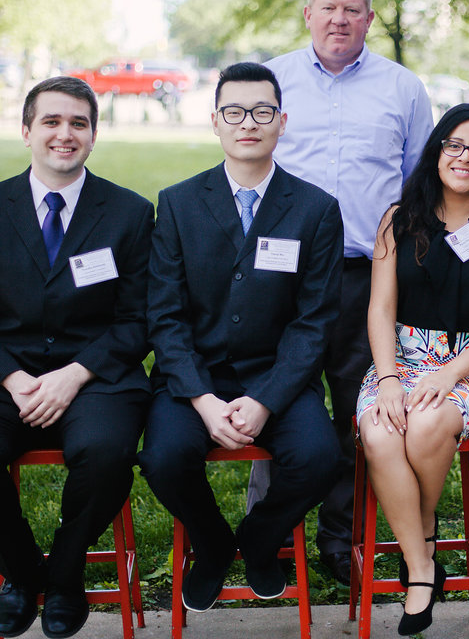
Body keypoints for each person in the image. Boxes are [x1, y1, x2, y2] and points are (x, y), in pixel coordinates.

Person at [0, 76, 154, 639]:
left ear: (94, 135)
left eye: (78, 122)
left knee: (107, 453)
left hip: (96, 375)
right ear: (26, 131)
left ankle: (67, 568)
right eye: (51, 122)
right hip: (3, 375)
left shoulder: (129, 213)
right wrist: (12, 377)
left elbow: (139, 320)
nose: (64, 134)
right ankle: (26, 568)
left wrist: (74, 376)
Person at [138, 62, 344, 614]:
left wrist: (266, 399)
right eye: (234, 112)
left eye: (261, 112)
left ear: (282, 122)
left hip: (277, 375)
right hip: (195, 377)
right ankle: (211, 543)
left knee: (322, 456)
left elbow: (313, 321)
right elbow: (165, 315)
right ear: (215, 122)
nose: (247, 123)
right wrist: (202, 400)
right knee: (162, 457)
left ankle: (257, 538)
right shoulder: (179, 203)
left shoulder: (316, 209)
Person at [254, 0, 435, 584]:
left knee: (358, 413)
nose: (339, 19)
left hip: (366, 278)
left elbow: (421, 186)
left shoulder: (403, 90)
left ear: (369, 18)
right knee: (276, 396)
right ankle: (270, 535)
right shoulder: (270, 81)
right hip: (282, 276)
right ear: (308, 13)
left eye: (352, 9)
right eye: (328, 8)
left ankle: (340, 538)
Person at [358, 103, 469, 635]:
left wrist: (449, 373)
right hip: (402, 360)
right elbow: (381, 310)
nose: (464, 157)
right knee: (382, 431)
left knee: (431, 421)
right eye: (454, 145)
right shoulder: (399, 218)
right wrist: (389, 378)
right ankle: (422, 562)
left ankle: (420, 528)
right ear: (436, 150)